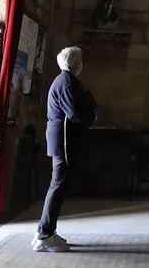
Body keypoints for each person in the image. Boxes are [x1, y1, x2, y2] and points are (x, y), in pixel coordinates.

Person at [32, 46, 99, 253]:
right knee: (58, 185)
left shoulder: (63, 81)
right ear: (76, 64)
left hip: (61, 139)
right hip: (63, 141)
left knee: (58, 185)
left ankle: (46, 231)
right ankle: (44, 235)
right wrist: (92, 115)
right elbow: (75, 114)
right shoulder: (68, 83)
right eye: (80, 61)